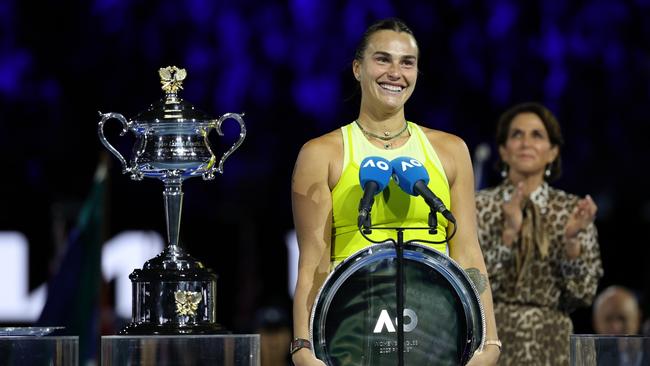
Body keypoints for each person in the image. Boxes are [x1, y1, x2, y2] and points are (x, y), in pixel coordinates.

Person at [291, 18, 500, 366]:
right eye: (382, 59)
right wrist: (303, 349)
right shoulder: (321, 153)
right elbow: (313, 263)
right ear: (358, 69)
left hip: (437, 333)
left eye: (407, 62)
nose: (395, 72)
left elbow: (467, 253)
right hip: (353, 332)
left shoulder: (450, 150)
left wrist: (489, 342)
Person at [475, 102, 603, 365]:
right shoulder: (478, 206)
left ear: (552, 152)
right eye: (516, 134)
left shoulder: (573, 210)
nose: (525, 142)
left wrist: (571, 242)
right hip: (493, 343)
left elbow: (583, 295)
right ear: (503, 150)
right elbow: (473, 287)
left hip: (554, 347)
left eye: (537, 135)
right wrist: (508, 234)